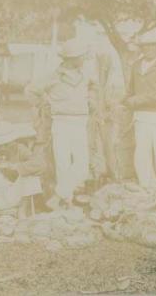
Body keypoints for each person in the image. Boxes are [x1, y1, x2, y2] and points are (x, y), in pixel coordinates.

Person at [26, 39, 98, 210]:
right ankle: (67, 202)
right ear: (71, 58)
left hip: (80, 122)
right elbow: (31, 91)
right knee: (63, 164)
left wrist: (91, 99)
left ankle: (57, 196)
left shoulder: (85, 75)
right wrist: (44, 104)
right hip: (61, 123)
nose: (83, 60)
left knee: (81, 166)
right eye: (80, 57)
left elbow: (94, 86)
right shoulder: (52, 77)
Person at [123, 38, 156, 213]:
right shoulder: (136, 66)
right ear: (141, 48)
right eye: (145, 45)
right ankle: (150, 196)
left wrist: (136, 100)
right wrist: (122, 101)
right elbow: (130, 92)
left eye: (152, 45)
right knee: (142, 158)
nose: (148, 48)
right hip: (140, 117)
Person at [0, 122, 46, 219]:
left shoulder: (20, 149)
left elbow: (40, 164)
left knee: (31, 177)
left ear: (11, 141)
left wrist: (13, 166)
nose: (1, 147)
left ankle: (22, 211)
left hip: (17, 193)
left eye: (5, 144)